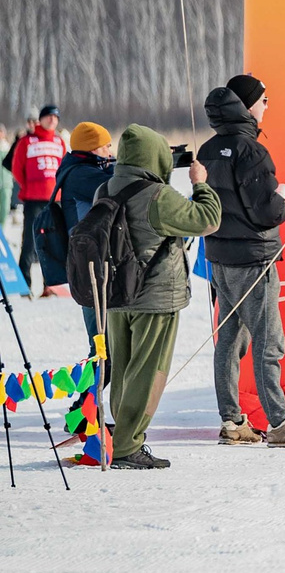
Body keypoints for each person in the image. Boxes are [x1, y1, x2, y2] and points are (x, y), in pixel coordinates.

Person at [199, 76, 285, 448]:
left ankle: (232, 421)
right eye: (265, 100)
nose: (268, 107)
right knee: (269, 344)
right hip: (253, 260)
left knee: (230, 340)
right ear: (248, 105)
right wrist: (282, 197)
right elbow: (266, 212)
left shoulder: (207, 149)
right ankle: (280, 422)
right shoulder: (251, 151)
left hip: (220, 258)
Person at [97, 125, 223, 469]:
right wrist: (201, 184)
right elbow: (207, 220)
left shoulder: (105, 187)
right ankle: (127, 446)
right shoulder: (158, 195)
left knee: (123, 368)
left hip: (117, 294)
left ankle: (121, 436)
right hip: (154, 297)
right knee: (148, 371)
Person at [50, 122, 117, 347]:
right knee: (101, 345)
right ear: (92, 149)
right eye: (106, 146)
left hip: (94, 258)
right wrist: (134, 165)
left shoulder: (86, 169)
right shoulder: (79, 174)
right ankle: (92, 382)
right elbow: (115, 187)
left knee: (109, 341)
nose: (110, 151)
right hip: (88, 263)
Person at [11, 104, 66, 289]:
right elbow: (17, 168)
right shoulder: (27, 141)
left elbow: (64, 168)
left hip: (54, 199)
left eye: (56, 117)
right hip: (33, 198)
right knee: (30, 241)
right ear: (40, 119)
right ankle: (24, 283)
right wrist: (27, 186)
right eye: (49, 117)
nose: (52, 120)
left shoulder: (59, 142)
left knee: (54, 243)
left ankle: (50, 285)